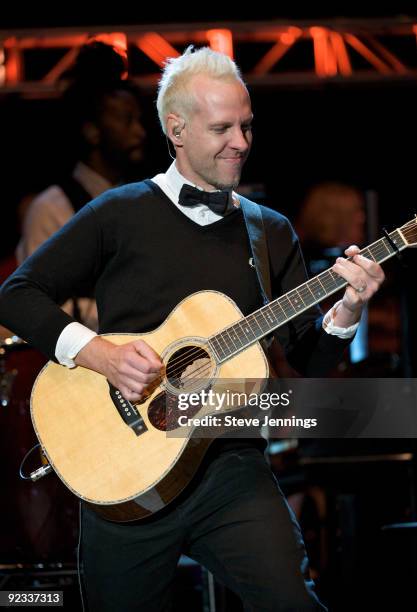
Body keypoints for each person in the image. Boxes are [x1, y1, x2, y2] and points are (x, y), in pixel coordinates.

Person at [0, 47, 385, 611]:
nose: (242, 142)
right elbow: (15, 296)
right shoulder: (117, 213)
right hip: (124, 471)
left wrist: (347, 310)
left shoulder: (269, 232)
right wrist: (101, 354)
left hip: (230, 467)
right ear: (175, 129)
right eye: (223, 128)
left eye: (247, 126)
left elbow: (310, 361)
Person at [16, 41, 146, 330]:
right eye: (126, 120)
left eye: (139, 120)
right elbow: (36, 302)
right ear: (92, 131)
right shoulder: (52, 208)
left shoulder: (145, 201)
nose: (140, 131)